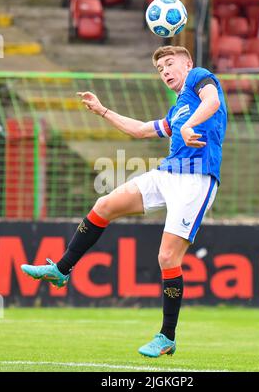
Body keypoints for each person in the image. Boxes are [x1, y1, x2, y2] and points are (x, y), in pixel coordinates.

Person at [21, 45, 227, 358]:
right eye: (160, 69)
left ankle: (166, 336)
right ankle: (61, 270)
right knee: (104, 205)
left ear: (188, 64)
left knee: (167, 258)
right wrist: (103, 111)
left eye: (171, 64)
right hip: (168, 173)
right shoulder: (178, 109)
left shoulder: (201, 79)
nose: (166, 72)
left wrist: (187, 127)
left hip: (196, 179)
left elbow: (212, 101)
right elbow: (142, 130)